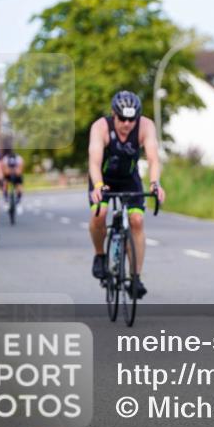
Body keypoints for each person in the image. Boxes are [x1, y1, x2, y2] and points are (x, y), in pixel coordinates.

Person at [87, 90, 165, 299]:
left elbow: (153, 159)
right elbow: (94, 161)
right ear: (114, 114)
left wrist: (155, 183)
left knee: (137, 220)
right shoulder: (100, 127)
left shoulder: (146, 126)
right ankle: (100, 255)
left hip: (129, 178)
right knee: (100, 213)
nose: (127, 124)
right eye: (122, 118)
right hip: (102, 179)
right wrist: (97, 185)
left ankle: (136, 277)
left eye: (132, 119)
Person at [3, 147, 25, 212]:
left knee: (19, 187)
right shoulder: (5, 158)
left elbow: (20, 171)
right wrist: (12, 170)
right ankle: (6, 201)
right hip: (8, 176)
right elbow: (5, 171)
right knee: (5, 184)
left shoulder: (19, 158)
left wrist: (12, 171)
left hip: (16, 176)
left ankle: (18, 202)